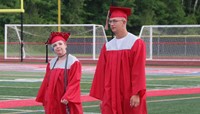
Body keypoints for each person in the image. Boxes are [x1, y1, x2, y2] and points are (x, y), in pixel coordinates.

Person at [90, 6, 147, 114]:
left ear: (124, 22)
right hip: (111, 93)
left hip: (129, 92)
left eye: (115, 21)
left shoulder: (136, 43)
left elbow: (138, 71)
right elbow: (102, 73)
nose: (112, 24)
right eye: (110, 21)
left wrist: (137, 93)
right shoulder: (108, 46)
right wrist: (103, 97)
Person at [36, 32, 83, 114]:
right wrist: (45, 96)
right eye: (54, 45)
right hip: (52, 98)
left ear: (65, 45)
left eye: (60, 44)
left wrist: (68, 96)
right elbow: (46, 82)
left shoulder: (73, 61)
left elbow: (75, 81)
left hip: (65, 99)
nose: (57, 47)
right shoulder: (52, 63)